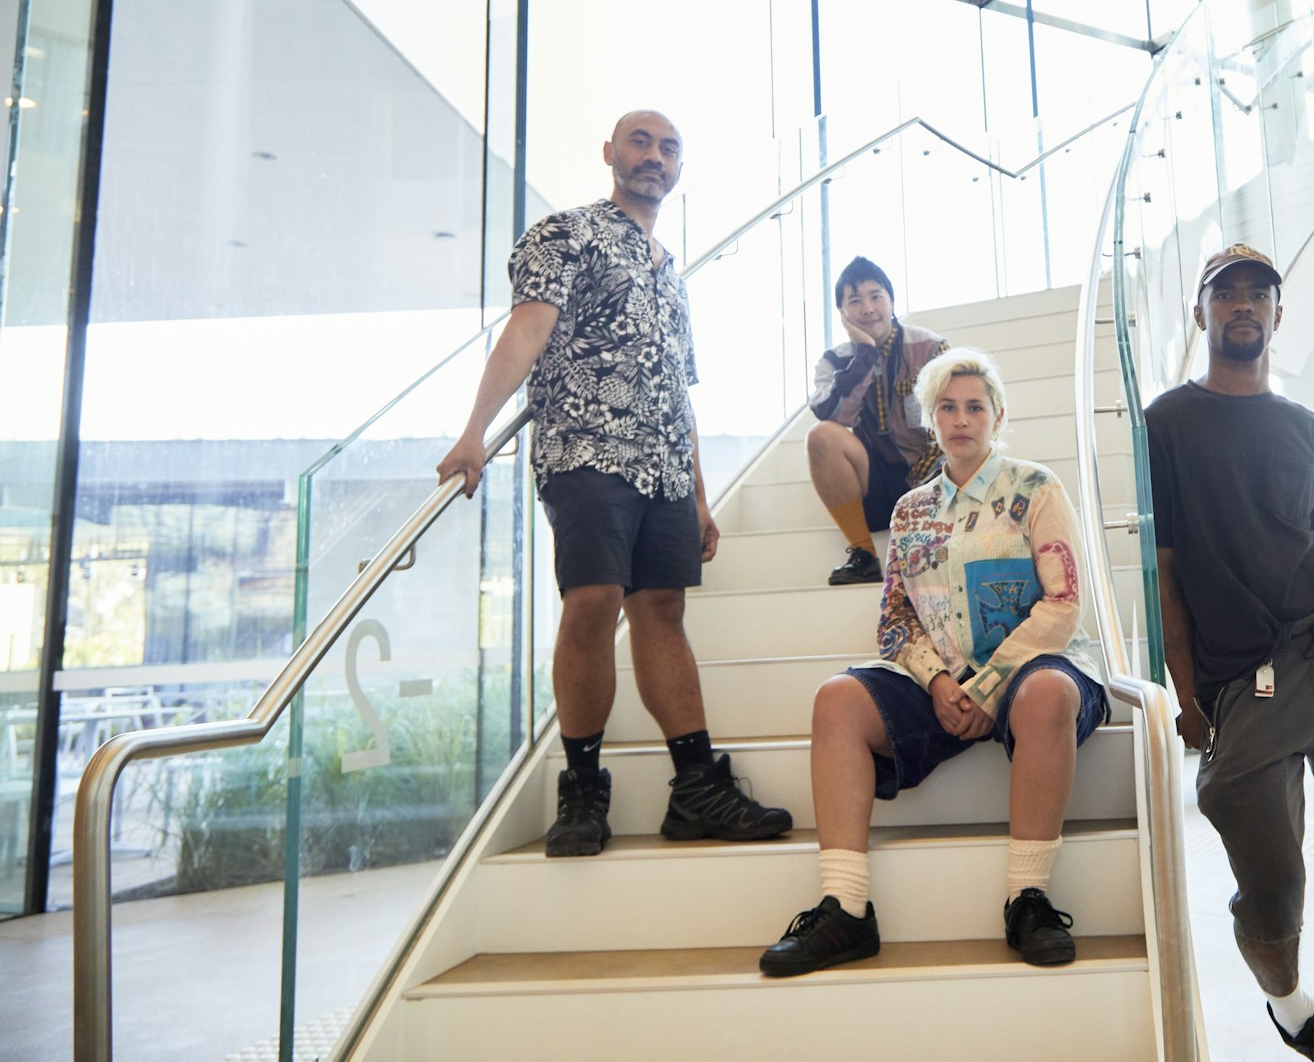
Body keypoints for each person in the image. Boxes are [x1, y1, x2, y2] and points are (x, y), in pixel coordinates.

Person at [437, 109, 792, 858]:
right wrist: (474, 430)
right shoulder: (565, 232)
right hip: (586, 449)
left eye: (669, 148)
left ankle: (696, 788)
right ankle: (581, 791)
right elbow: (528, 331)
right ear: (609, 153)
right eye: (640, 141)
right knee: (593, 601)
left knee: (662, 608)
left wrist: (698, 494)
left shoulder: (673, 274)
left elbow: (678, 391)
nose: (654, 157)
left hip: (663, 463)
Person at [1145, 245, 1314, 1062]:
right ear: (1200, 314)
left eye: (1258, 295)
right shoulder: (1164, 424)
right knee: (1268, 890)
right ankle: (1297, 1014)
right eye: (1224, 293)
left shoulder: (1312, 431)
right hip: (1245, 680)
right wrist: (1187, 694)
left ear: (1276, 313)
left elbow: (1312, 550)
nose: (1242, 306)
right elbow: (1163, 571)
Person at [760, 347, 1111, 976]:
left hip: (1034, 673)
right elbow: (894, 621)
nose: (961, 418)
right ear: (930, 418)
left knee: (1047, 694)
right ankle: (845, 907)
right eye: (946, 407)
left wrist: (991, 686)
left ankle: (1026, 899)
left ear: (997, 416)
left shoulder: (1034, 488)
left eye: (975, 406)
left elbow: (1064, 604)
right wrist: (944, 681)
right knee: (835, 698)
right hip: (944, 686)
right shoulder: (909, 511)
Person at [806, 257, 948, 585]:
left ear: (892, 300)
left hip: (933, 476)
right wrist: (864, 354)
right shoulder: (833, 360)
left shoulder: (929, 347)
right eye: (854, 301)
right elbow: (833, 414)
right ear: (842, 313)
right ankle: (864, 555)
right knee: (821, 436)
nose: (868, 308)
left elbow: (953, 418)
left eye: (876, 296)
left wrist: (923, 479)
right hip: (875, 480)